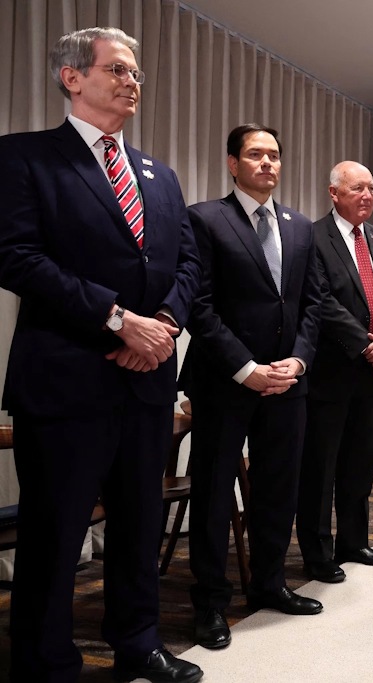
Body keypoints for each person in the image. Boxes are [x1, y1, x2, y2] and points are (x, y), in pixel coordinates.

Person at [0, 27, 203, 683]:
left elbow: (187, 264)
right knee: (55, 534)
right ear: (72, 77)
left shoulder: (160, 176)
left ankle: (138, 642)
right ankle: (46, 662)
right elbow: (16, 257)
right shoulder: (25, 157)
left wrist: (162, 326)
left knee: (139, 526)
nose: (132, 82)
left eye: (136, 73)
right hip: (66, 381)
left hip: (146, 382)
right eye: (117, 69)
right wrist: (119, 321)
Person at [180, 123, 323, 650]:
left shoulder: (299, 225)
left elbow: (312, 304)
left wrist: (297, 362)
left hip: (287, 383)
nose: (267, 163)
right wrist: (246, 368)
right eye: (255, 154)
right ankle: (210, 604)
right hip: (225, 381)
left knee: (278, 489)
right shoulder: (204, 218)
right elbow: (198, 305)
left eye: (274, 156)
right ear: (232, 164)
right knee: (214, 494)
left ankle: (269, 584)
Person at [296, 161, 373, 581]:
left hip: (372, 370)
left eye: (371, 189)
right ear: (334, 193)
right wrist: (366, 343)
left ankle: (354, 542)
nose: (367, 196)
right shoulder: (313, 236)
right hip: (331, 370)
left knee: (360, 463)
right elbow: (321, 300)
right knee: (321, 467)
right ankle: (317, 554)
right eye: (357, 188)